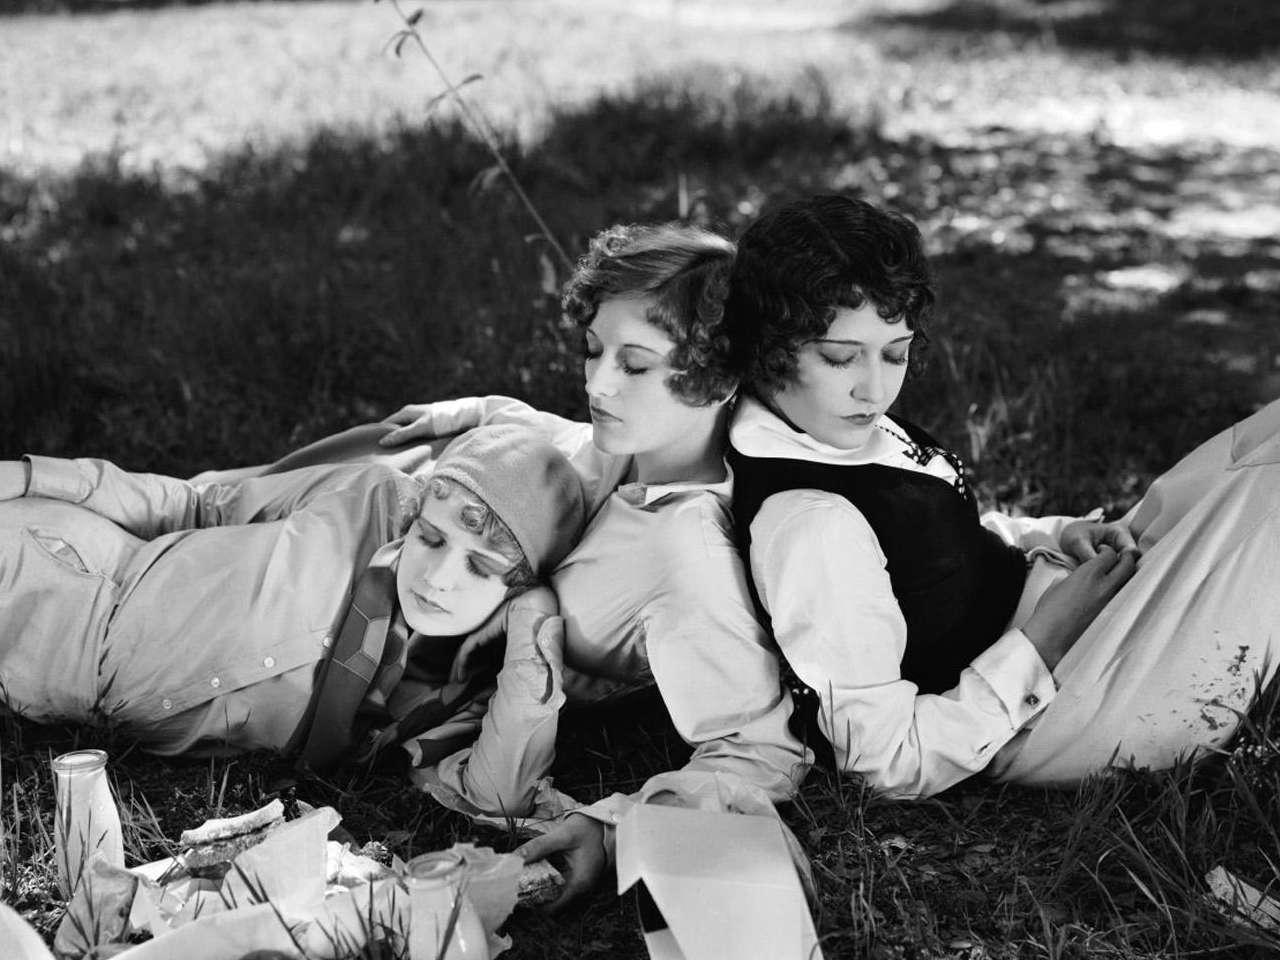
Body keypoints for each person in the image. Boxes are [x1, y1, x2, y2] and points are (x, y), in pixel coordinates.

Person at [186, 222, 808, 901]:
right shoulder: (641, 442)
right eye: (592, 349)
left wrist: (613, 830)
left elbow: (759, 749)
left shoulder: (685, 556)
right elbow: (566, 440)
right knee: (197, 503)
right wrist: (482, 410)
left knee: (171, 583)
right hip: (412, 504)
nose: (598, 382)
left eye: (633, 365)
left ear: (717, 380)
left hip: (385, 626)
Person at [722, 193, 1280, 799]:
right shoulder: (811, 524)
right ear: (767, 348)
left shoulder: (825, 424)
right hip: (1052, 711)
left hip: (1065, 618)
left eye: (895, 353)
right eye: (840, 358)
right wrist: (1045, 638)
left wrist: (1055, 533)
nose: (875, 389)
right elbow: (885, 762)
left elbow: (930, 546)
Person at [0, 424, 593, 817]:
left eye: (481, 568)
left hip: (44, 679)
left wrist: (536, 617)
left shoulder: (452, 703)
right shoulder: (368, 496)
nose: (438, 577)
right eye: (430, 538)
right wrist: (31, 477)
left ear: (520, 586)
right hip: (62, 567)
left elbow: (497, 796)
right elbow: (199, 504)